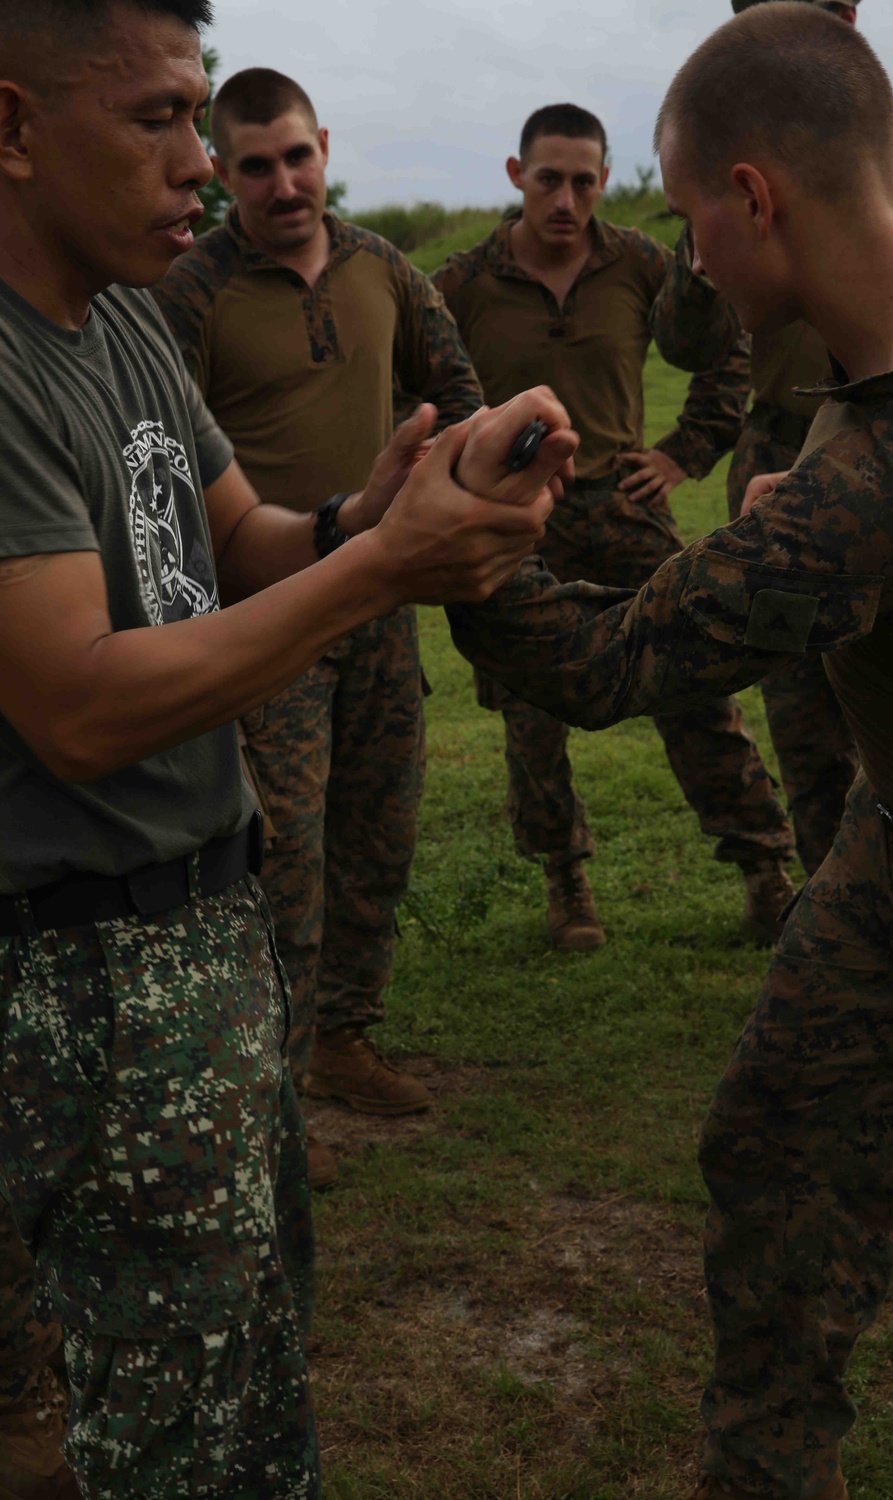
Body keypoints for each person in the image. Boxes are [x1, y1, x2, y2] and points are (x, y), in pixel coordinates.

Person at [0, 1, 572, 1494]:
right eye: (160, 121)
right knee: (168, 1433)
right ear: (10, 129)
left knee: (254, 1376)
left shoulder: (122, 310)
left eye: (209, 121)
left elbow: (238, 537)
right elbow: (77, 704)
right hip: (80, 973)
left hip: (205, 923)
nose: (200, 164)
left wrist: (369, 511)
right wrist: (379, 576)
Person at [447, 7, 893, 1496]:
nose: (685, 261)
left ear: (754, 197)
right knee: (783, 1147)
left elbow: (613, 662)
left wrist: (460, 558)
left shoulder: (887, 486)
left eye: (692, 220)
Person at [155, 70, 484, 1185]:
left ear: (325, 146)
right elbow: (165, 470)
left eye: (297, 157)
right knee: (280, 860)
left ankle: (345, 1038)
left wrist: (480, 477)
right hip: (265, 620)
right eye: (254, 165)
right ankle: (271, 1098)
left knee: (378, 831)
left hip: (379, 601)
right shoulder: (188, 291)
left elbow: (459, 391)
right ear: (221, 167)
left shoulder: (381, 266)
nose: (283, 184)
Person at [433, 104, 796, 952]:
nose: (566, 198)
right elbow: (412, 378)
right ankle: (568, 884)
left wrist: (682, 453)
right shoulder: (465, 280)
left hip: (625, 507)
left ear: (603, 180)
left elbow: (723, 351)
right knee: (532, 711)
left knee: (696, 679)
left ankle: (767, 875)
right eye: (549, 178)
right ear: (516, 174)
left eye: (585, 181)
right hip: (523, 522)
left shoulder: (637, 261)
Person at [695, 0, 893, 875]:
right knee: (801, 704)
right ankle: (840, 893)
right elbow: (688, 339)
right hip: (784, 447)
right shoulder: (725, 165)